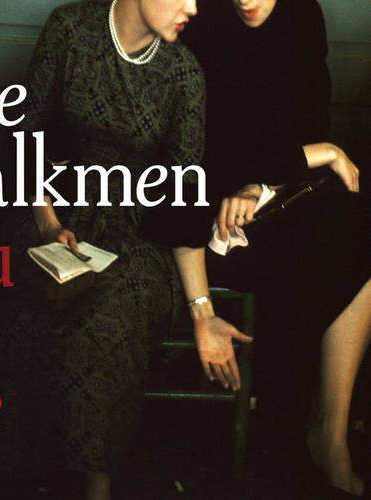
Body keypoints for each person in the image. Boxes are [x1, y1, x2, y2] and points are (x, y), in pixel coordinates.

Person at [0, 1, 253, 499]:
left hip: (139, 235)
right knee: (21, 305)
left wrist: (203, 311)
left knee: (102, 320)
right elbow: (26, 134)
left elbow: (183, 206)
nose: (193, 8)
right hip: (53, 211)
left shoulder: (184, 72)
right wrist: (47, 225)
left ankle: (93, 488)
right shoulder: (70, 28)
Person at [145, 0, 370, 496]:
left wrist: (260, 184)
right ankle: (278, 437)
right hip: (201, 214)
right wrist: (316, 155)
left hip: (271, 198)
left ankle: (330, 434)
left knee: (355, 222)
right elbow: (193, 152)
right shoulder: (199, 18)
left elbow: (307, 127)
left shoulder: (303, 16)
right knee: (314, 249)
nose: (247, 0)